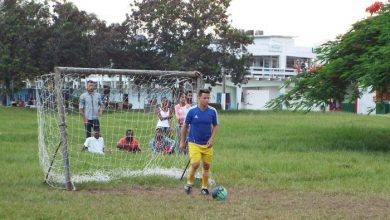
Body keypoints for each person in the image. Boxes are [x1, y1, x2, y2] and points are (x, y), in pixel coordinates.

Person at [180, 89, 218, 195]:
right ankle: (189, 183)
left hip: (207, 144)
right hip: (194, 142)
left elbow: (215, 126)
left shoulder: (212, 111)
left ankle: (204, 187)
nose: (207, 100)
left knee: (206, 166)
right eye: (204, 98)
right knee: (196, 164)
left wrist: (211, 139)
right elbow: (185, 126)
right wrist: (182, 142)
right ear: (199, 98)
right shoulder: (191, 111)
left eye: (208, 98)